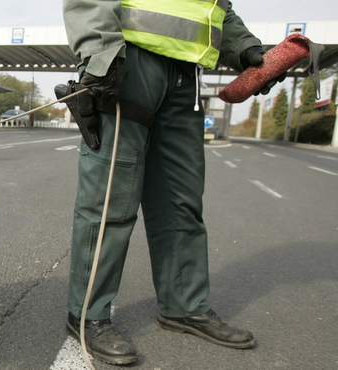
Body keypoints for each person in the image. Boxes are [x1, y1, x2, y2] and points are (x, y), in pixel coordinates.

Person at [61, 0, 283, 365]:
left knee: (181, 200)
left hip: (186, 76)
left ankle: (184, 306)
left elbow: (216, 8)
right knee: (111, 199)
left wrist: (245, 47)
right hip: (131, 61)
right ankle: (88, 314)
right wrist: (101, 52)